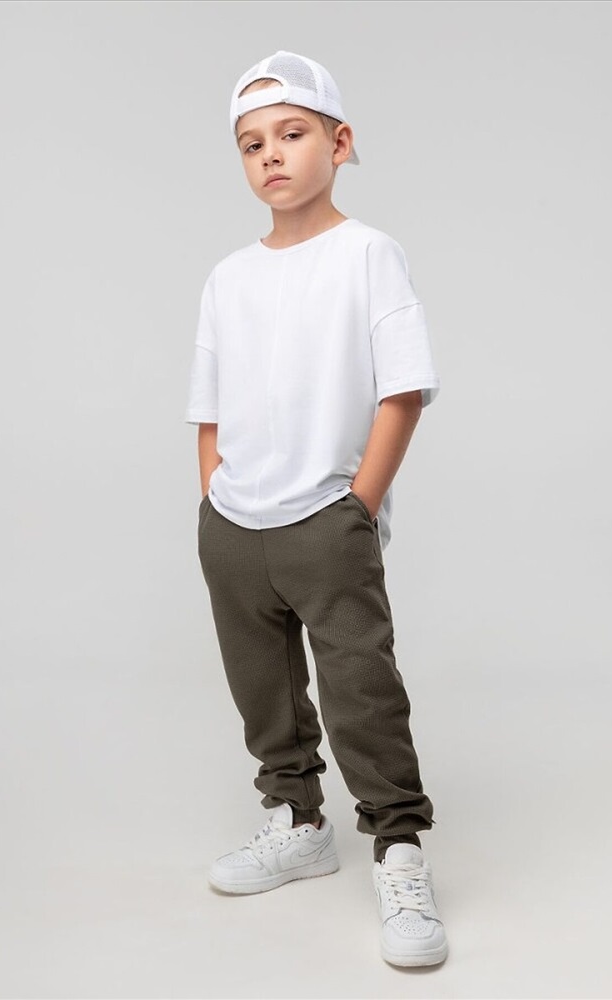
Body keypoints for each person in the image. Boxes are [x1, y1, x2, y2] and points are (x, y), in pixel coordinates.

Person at [185, 50, 449, 968]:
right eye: (251, 142)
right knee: (262, 689)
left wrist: (356, 507)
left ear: (338, 144)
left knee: (360, 690)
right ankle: (298, 822)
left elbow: (402, 390)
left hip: (325, 523)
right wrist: (213, 500)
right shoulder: (227, 276)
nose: (271, 154)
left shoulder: (368, 254)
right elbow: (209, 406)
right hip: (235, 527)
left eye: (292, 133)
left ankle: (399, 849)